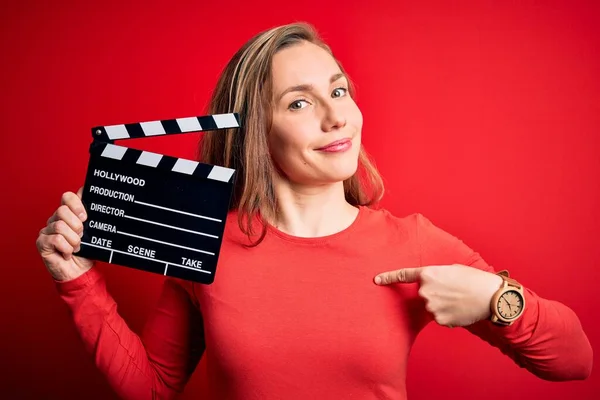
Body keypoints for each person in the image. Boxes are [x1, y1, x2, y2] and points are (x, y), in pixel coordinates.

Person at [36, 22, 592, 399]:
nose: (336, 117)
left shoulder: (413, 246)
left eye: (340, 90)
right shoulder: (207, 240)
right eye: (299, 102)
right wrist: (77, 281)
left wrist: (500, 300)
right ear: (256, 130)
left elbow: (574, 363)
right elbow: (154, 388)